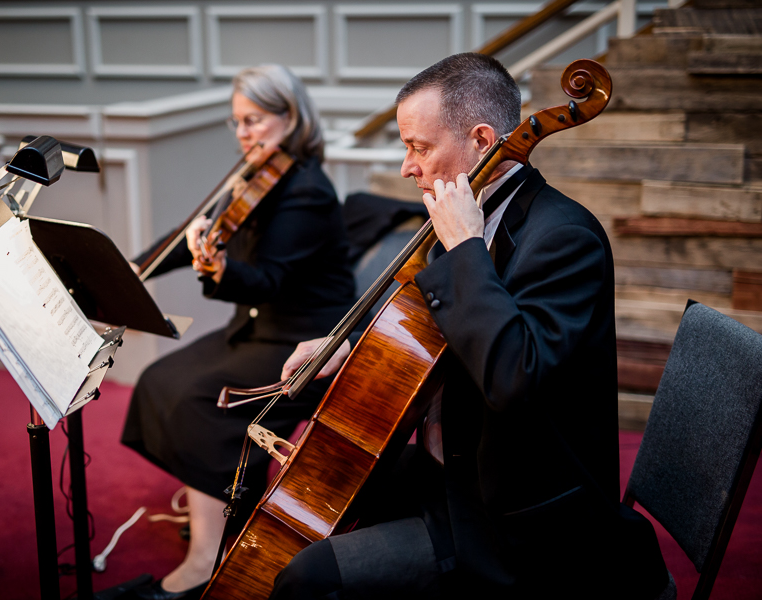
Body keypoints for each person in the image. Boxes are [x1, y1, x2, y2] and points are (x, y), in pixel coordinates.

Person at [272, 53, 668, 599]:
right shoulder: (466, 216)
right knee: (324, 488)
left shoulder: (563, 238)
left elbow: (512, 375)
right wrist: (353, 349)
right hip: (454, 465)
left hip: (515, 519)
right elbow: (442, 337)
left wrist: (464, 250)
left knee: (307, 581)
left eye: (420, 146)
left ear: (482, 140)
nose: (408, 166)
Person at [121, 64, 356, 600]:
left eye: (254, 120)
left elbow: (268, 280)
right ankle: (222, 501)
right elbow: (195, 234)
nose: (244, 133)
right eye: (237, 122)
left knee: (199, 403)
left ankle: (207, 556)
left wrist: (221, 271)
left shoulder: (307, 190)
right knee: (161, 377)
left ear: (288, 116)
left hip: (305, 341)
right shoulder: (254, 175)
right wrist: (139, 268)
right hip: (258, 327)